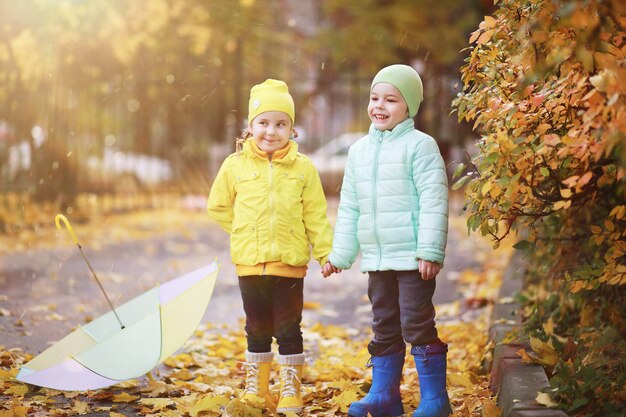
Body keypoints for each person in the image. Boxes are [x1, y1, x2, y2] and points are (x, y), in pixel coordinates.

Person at [323, 64, 451, 417]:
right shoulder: (358, 151)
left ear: (409, 106)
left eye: (391, 99)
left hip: (412, 259)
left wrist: (429, 250)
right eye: (375, 98)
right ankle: (385, 396)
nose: (379, 106)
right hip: (378, 260)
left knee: (416, 322)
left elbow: (434, 200)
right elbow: (350, 206)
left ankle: (435, 400)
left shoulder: (421, 146)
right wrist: (340, 255)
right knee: (383, 324)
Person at [207, 79, 334, 414]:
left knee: (289, 327)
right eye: (263, 123)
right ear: (250, 127)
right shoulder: (234, 166)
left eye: (281, 124)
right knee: (256, 327)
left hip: (289, 264)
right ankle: (257, 389)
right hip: (249, 263)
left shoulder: (303, 168)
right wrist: (242, 230)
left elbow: (315, 214)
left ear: (292, 130)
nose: (271, 131)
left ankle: (291, 390)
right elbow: (217, 206)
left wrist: (325, 252)